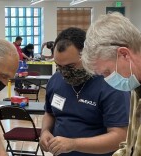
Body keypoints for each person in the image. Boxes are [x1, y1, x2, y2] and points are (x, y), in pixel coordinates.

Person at [39, 27, 130, 156]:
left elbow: (120, 136)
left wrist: (74, 144)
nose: (64, 72)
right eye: (59, 66)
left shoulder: (111, 84)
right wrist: (45, 131)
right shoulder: (56, 80)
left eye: (70, 66)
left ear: (88, 56)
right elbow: (49, 113)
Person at [82, 12, 141, 156]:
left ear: (124, 54)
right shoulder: (136, 86)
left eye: (107, 72)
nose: (107, 79)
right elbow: (131, 146)